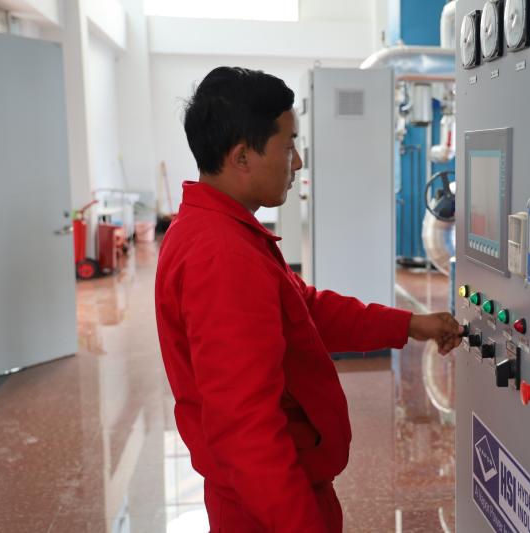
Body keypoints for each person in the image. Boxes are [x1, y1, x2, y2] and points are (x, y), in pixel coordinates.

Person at [154, 66, 463, 533]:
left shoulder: (223, 231)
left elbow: (307, 311)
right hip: (268, 505)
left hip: (275, 489)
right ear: (242, 157)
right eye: (288, 145)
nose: (297, 162)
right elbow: (245, 430)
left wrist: (409, 325)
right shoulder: (222, 256)